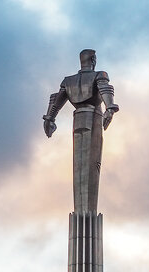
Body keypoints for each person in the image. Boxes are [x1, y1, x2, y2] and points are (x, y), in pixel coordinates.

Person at [43, 49, 120, 214]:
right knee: (92, 165)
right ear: (93, 60)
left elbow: (56, 99)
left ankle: (83, 213)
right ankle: (86, 212)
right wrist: (110, 109)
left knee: (81, 168)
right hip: (93, 118)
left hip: (77, 120)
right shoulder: (99, 75)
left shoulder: (68, 81)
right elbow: (105, 90)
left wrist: (50, 118)